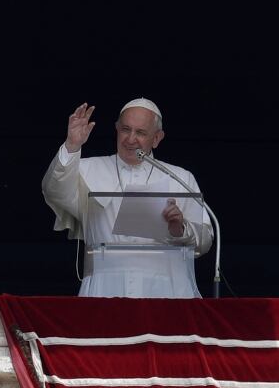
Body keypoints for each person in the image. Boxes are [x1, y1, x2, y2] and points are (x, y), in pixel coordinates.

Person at [42, 98, 213, 298]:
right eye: (125, 129)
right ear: (116, 129)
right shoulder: (87, 169)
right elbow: (54, 190)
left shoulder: (181, 178)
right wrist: (72, 145)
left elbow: (205, 240)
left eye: (141, 132)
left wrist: (180, 229)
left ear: (157, 138)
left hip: (168, 290)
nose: (131, 139)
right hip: (104, 289)